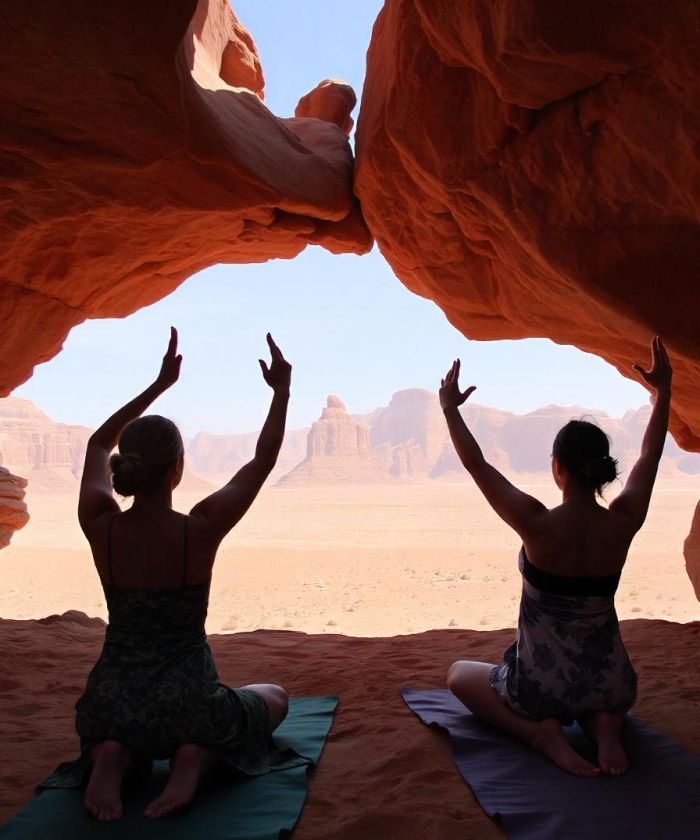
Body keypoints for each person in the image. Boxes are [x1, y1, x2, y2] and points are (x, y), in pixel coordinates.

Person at [40, 328, 306, 820]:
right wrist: (282, 392)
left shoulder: (101, 524)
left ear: (130, 468)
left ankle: (111, 757)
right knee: (274, 697)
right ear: (177, 470)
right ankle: (193, 759)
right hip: (191, 702)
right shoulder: (199, 530)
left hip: (110, 702)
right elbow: (263, 462)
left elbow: (98, 443)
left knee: (116, 736)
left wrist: (159, 385)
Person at [442, 336, 672, 777]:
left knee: (459, 674)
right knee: (602, 698)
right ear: (603, 469)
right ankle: (606, 730)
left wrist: (451, 410)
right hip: (612, 684)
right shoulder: (623, 521)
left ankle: (540, 736)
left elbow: (477, 466)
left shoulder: (536, 523)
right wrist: (663, 393)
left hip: (539, 689)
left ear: (557, 468)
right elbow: (651, 454)